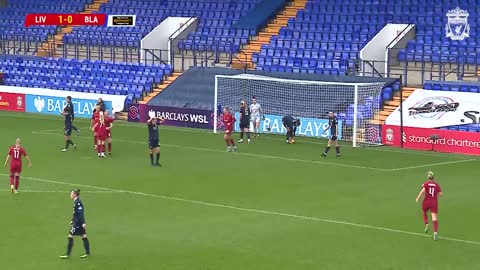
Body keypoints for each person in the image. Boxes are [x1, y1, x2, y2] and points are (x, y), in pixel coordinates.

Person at [60, 189, 90, 259]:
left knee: (70, 236)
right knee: (84, 236)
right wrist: (72, 220)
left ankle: (67, 254)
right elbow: (75, 213)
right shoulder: (76, 202)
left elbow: (80, 214)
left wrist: (83, 223)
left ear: (75, 194)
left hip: (78, 223)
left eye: (71, 193)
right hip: (76, 222)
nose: (70, 195)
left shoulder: (78, 203)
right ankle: (87, 253)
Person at [416, 171, 442, 241]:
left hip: (426, 202)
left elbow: (422, 191)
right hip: (434, 203)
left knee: (424, 212)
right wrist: (436, 192)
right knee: (434, 218)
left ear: (428, 177)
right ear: (433, 178)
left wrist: (418, 198)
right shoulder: (436, 185)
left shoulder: (426, 184)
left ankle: (426, 224)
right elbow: (440, 194)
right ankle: (435, 232)